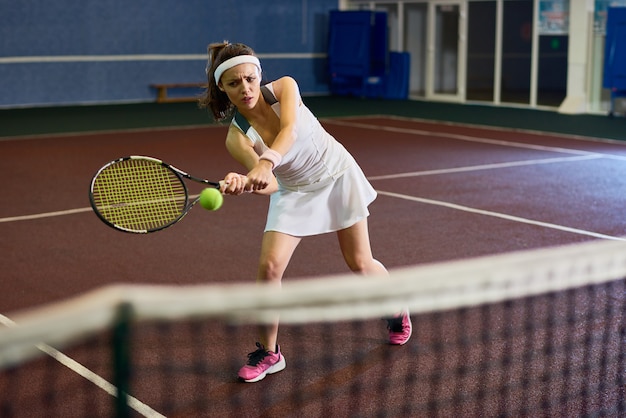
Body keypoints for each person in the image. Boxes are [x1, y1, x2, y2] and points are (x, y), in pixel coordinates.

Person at [199, 41, 411, 383]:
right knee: (268, 268)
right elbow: (269, 185)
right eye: (234, 83)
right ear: (222, 87)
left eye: (250, 79)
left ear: (259, 75)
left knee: (359, 262)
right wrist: (244, 180)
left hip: (337, 174)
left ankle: (396, 306)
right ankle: (269, 352)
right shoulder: (236, 139)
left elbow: (290, 131)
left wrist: (266, 162)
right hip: (294, 190)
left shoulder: (285, 87)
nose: (245, 88)